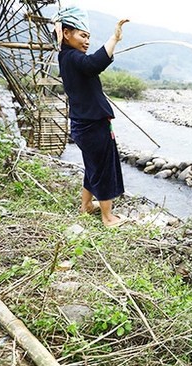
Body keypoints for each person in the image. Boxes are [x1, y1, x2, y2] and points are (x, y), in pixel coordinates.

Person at [53, 6, 129, 227]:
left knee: (93, 165)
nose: (87, 41)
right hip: (92, 125)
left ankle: (86, 205)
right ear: (66, 33)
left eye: (88, 37)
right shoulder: (73, 57)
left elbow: (91, 65)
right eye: (82, 35)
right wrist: (114, 38)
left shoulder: (67, 57)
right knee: (104, 167)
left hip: (84, 124)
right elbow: (95, 63)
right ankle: (108, 217)